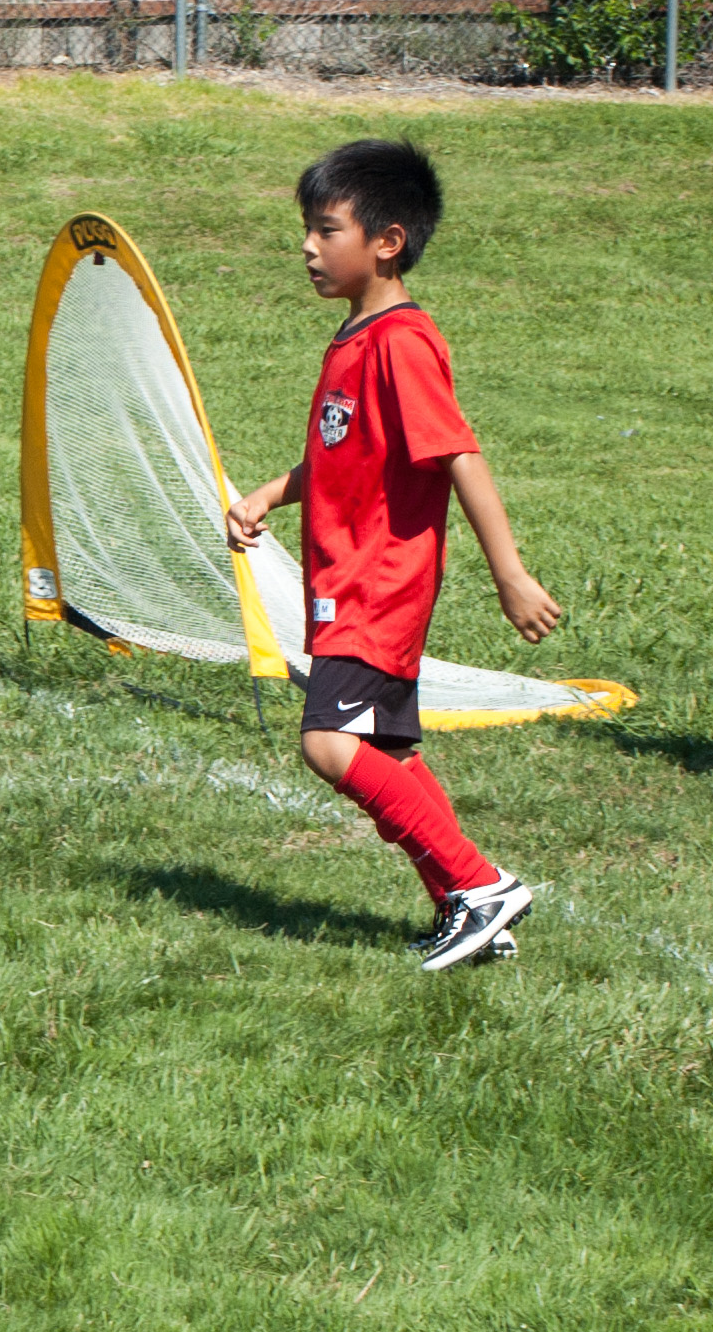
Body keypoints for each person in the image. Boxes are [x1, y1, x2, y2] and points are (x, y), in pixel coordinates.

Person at [228, 141, 559, 972]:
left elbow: (459, 455)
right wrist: (269, 493)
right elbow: (345, 457)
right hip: (348, 581)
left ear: (387, 241)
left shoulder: (402, 342)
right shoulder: (355, 337)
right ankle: (463, 908)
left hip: (378, 583)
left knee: (328, 744)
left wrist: (511, 575)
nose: (307, 246)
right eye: (307, 229)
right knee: (388, 755)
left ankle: (480, 884)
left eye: (326, 229)